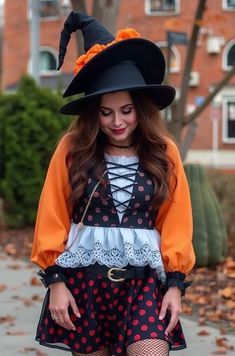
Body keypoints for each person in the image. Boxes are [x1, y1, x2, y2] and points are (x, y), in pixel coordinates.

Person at [31, 11, 195, 356]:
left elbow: (176, 222)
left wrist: (176, 286)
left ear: (141, 109)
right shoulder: (73, 150)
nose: (117, 121)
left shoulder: (164, 152)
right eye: (106, 112)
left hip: (144, 287)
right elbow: (52, 216)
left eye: (126, 110)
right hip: (83, 286)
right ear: (93, 113)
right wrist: (56, 283)